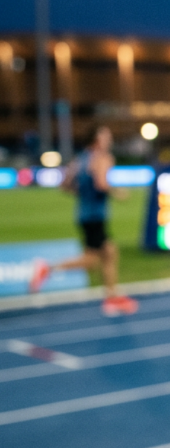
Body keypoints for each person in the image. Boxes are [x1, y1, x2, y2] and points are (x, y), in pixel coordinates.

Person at [30, 125, 138, 316]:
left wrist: (83, 194)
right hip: (96, 215)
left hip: (84, 214)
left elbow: (64, 185)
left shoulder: (80, 159)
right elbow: (101, 183)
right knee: (92, 260)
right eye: (106, 135)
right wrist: (118, 192)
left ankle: (112, 298)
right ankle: (48, 268)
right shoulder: (103, 158)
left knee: (110, 252)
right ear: (97, 139)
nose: (110, 138)